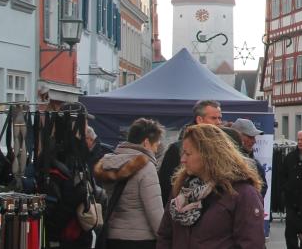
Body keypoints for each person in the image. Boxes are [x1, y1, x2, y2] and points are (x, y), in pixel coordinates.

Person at [155, 124, 264, 248]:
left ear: (209, 155)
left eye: (188, 153)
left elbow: (251, 243)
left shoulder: (242, 193)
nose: (182, 159)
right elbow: (165, 235)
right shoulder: (183, 189)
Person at [93, 118, 165, 249]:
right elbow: (154, 211)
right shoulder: (146, 167)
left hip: (111, 236)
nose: (155, 150)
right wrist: (165, 240)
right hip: (140, 240)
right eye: (156, 145)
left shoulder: (108, 163)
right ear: (146, 142)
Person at [158, 100, 223, 204]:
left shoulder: (223, 149)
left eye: (220, 118)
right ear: (199, 119)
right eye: (214, 118)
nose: (219, 122)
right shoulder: (176, 149)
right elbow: (165, 186)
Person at [277, 130, 302, 249]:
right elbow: (282, 176)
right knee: (290, 235)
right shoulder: (290, 157)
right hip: (291, 202)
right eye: (298, 139)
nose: (299, 142)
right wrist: (285, 189)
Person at [231, 118, 269, 198]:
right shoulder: (225, 160)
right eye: (250, 137)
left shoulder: (253, 162)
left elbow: (262, 188)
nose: (254, 141)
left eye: (254, 137)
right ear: (238, 136)